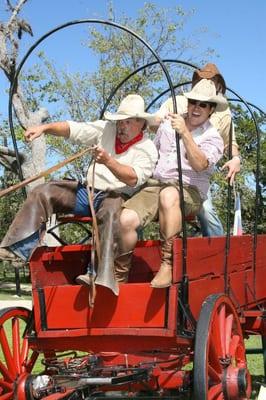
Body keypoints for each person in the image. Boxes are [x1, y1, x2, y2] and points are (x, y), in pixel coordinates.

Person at [0, 94, 158, 292]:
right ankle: (18, 250)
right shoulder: (106, 129)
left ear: (141, 123)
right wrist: (44, 128)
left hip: (116, 196)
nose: (121, 127)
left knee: (110, 212)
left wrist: (108, 161)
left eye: (127, 122)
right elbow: (73, 129)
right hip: (87, 192)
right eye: (120, 122)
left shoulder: (148, 148)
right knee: (43, 191)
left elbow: (133, 178)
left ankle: (98, 274)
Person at [118, 79, 226, 288]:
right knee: (125, 218)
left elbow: (200, 164)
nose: (196, 108)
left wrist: (184, 133)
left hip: (189, 190)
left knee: (169, 195)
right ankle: (119, 275)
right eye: (193, 102)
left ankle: (167, 264)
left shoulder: (213, 137)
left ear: (211, 109)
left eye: (203, 105)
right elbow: (153, 155)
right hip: (156, 184)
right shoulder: (167, 125)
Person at [156, 63, 241, 236]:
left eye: (212, 81)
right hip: (165, 171)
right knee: (136, 204)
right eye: (203, 80)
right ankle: (148, 254)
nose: (207, 83)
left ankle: (217, 254)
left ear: (219, 86)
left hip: (195, 176)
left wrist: (236, 158)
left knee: (207, 211)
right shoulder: (178, 101)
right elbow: (154, 122)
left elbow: (230, 143)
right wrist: (159, 120)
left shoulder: (224, 114)